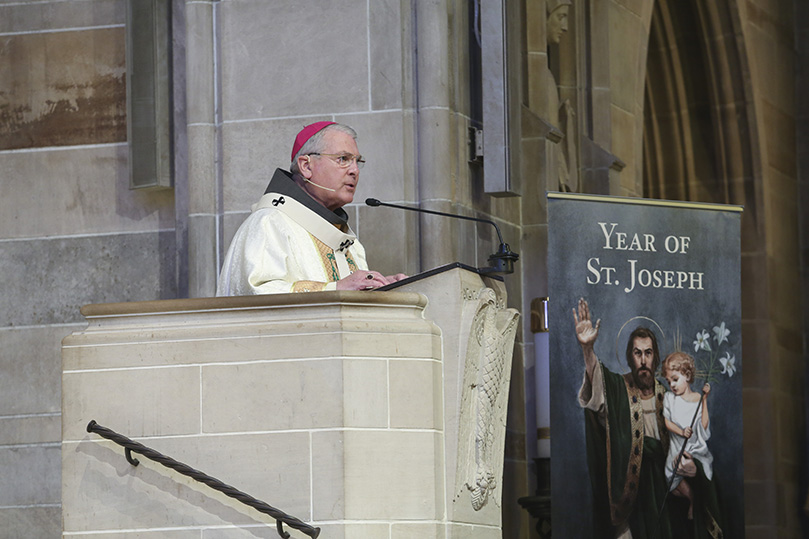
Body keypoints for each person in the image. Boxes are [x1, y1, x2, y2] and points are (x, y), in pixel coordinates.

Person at [217, 121, 406, 295]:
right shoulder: (270, 223)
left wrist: (380, 290)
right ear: (306, 166)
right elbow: (255, 294)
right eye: (343, 159)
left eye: (358, 161)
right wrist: (336, 288)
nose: (354, 170)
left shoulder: (348, 242)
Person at [573, 298, 696, 538]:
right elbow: (598, 389)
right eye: (637, 353)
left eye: (648, 353)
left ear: (655, 357)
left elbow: (690, 445)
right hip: (630, 504)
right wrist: (588, 349)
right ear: (630, 357)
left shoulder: (669, 397)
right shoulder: (619, 391)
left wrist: (690, 465)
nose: (643, 361)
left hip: (665, 500)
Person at [661, 352, 724, 537]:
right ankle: (691, 500)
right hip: (676, 448)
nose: (671, 385)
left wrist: (704, 400)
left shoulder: (697, 399)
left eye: (675, 379)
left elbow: (704, 427)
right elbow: (667, 423)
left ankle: (694, 505)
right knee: (671, 477)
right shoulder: (669, 399)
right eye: (668, 381)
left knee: (700, 471)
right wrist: (681, 432)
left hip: (695, 449)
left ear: (687, 376)